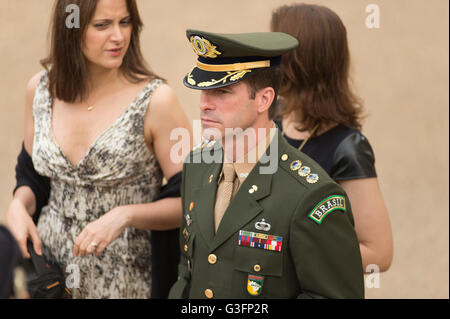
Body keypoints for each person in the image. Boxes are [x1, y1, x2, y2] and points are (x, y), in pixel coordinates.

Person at [5, 0, 191, 298]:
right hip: (49, 277)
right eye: (102, 25)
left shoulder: (158, 101)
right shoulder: (39, 90)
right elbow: (32, 178)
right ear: (72, 29)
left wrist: (124, 215)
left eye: (125, 22)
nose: (118, 36)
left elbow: (190, 202)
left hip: (128, 281)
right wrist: (17, 206)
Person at [168, 29, 364, 299]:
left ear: (264, 99)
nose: (204, 104)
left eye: (222, 91)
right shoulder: (197, 166)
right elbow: (187, 273)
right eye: (202, 90)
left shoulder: (309, 194)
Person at [271, 3, 393, 272]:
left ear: (296, 62)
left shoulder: (348, 148)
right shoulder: (270, 118)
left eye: (273, 49)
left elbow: (378, 253)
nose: (265, 57)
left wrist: (286, 258)